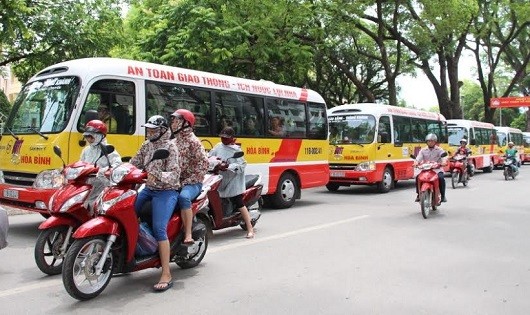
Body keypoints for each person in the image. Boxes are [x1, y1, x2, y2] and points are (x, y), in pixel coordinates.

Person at [130, 115, 180, 292]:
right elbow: (133, 163)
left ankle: (166, 273)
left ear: (163, 130)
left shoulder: (171, 147)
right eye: (149, 129)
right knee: (127, 214)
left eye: (153, 130)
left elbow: (174, 174)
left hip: (166, 191)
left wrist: (156, 175)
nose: (150, 132)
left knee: (160, 228)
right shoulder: (146, 145)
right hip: (148, 188)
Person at [170, 109, 209, 244]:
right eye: (173, 120)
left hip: (192, 183)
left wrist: (186, 181)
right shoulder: (173, 141)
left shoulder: (194, 142)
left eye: (177, 120)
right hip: (173, 182)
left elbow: (204, 165)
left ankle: (188, 233)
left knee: (183, 197)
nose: (174, 123)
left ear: (186, 123)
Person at [208, 127, 255, 238]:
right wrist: (215, 163)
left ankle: (250, 228)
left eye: (226, 138)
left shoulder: (237, 150)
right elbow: (210, 156)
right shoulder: (218, 146)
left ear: (232, 138)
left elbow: (242, 165)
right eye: (222, 137)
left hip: (233, 180)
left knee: (238, 201)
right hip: (219, 178)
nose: (224, 139)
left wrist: (229, 166)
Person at [80, 120, 122, 213]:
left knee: (95, 207)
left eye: (91, 137)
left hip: (102, 184)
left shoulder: (108, 149)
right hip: (87, 183)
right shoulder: (86, 150)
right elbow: (81, 164)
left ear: (99, 136)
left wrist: (104, 171)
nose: (88, 139)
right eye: (87, 137)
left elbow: (117, 165)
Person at [414, 133, 447, 203]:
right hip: (426, 169)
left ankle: (443, 196)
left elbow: (444, 157)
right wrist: (416, 163)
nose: (430, 142)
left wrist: (444, 162)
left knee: (441, 178)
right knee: (417, 177)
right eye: (429, 141)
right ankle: (418, 194)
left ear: (435, 142)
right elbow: (418, 158)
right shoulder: (423, 150)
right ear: (426, 142)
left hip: (436, 169)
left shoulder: (439, 149)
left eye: (432, 141)